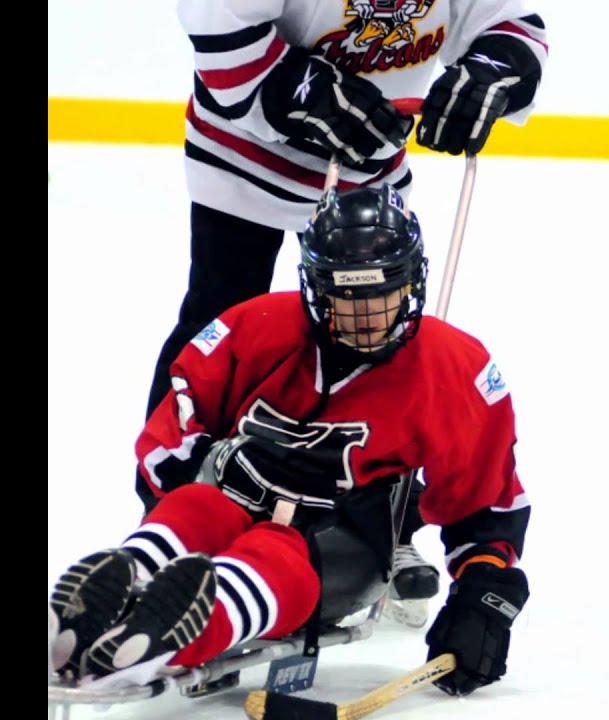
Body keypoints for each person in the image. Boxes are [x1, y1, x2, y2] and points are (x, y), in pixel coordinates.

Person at [136, 1, 550, 607]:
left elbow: (510, 25)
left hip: (369, 168)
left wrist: (492, 70)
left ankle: (381, 520)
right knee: (221, 328)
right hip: (242, 154)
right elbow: (216, 17)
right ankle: (176, 518)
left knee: (380, 344)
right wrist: (297, 88)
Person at [51, 185, 531, 697]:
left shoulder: (455, 368)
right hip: (235, 505)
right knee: (194, 503)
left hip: (337, 547)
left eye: (380, 294)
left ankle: (168, 638)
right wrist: (179, 485)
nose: (364, 317)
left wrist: (483, 595)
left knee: (276, 555)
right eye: (345, 297)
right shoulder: (256, 326)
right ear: (314, 286)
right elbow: (178, 417)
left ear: (412, 283)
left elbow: (486, 501)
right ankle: (121, 589)